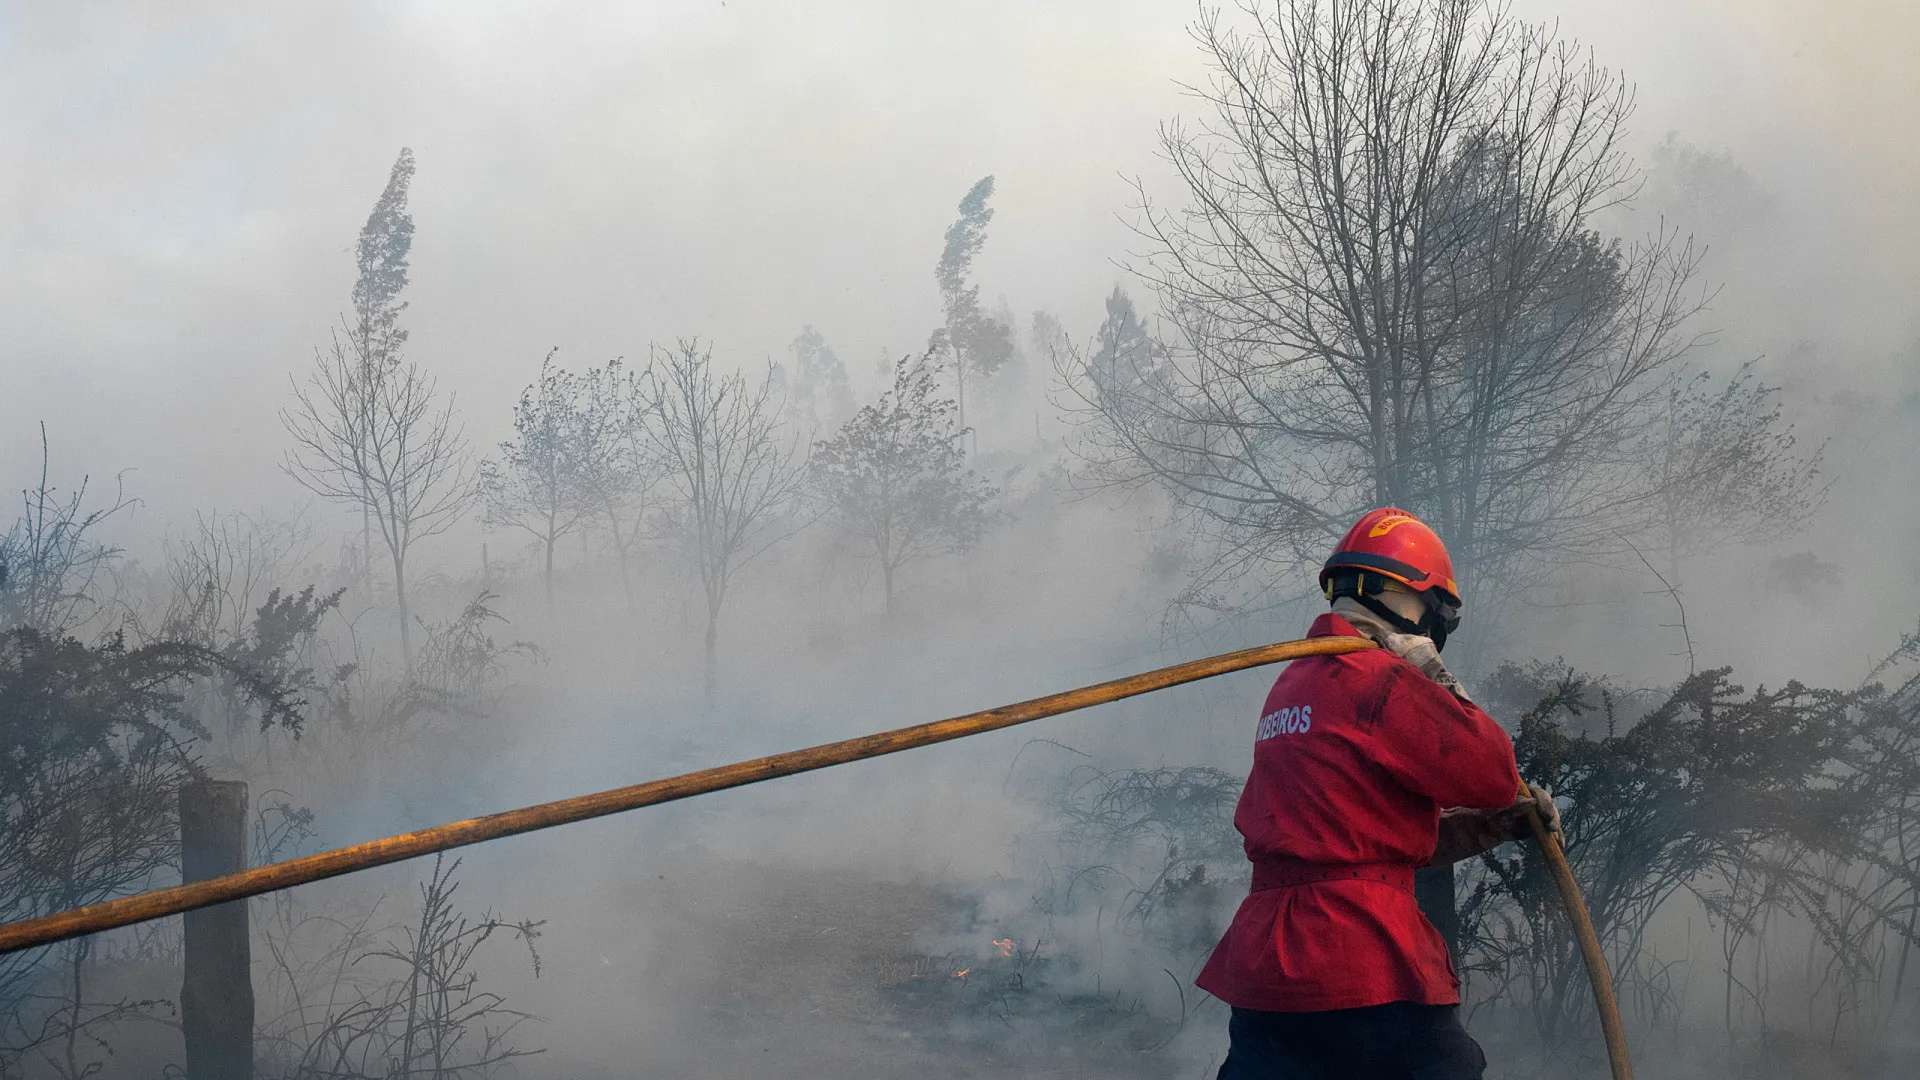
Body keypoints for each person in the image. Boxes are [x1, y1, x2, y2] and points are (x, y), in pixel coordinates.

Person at [1197, 507, 1561, 1079]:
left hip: (1268, 970)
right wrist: (1432, 676)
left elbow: (1359, 846)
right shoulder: (1378, 679)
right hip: (1358, 960)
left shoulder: (1293, 684)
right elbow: (1492, 769)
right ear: (1416, 602)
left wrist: (1499, 824)